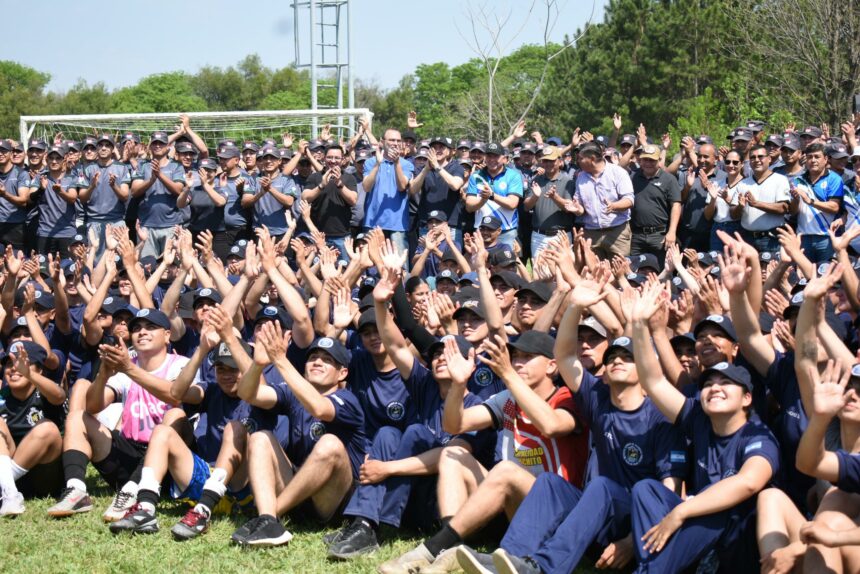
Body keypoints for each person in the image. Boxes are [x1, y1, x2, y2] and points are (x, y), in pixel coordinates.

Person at [382, 330, 587, 574]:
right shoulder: (508, 399)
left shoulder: (569, 398)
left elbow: (551, 425)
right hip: (514, 506)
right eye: (516, 356)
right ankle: (450, 548)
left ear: (552, 366)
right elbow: (454, 425)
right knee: (452, 454)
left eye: (528, 357)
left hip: (559, 512)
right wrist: (459, 385)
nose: (518, 362)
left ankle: (433, 547)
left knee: (507, 470)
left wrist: (509, 375)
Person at [628, 282, 780, 573]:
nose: (715, 388)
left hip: (738, 540)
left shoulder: (759, 435)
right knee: (647, 490)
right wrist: (638, 325)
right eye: (709, 383)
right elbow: (654, 382)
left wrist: (682, 511)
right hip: (698, 528)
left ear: (747, 398)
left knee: (718, 509)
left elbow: (748, 482)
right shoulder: (698, 416)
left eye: (725, 384)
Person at [47, 309, 190, 521]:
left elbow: (174, 396)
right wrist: (104, 374)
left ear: (167, 335)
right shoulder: (126, 368)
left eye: (151, 327)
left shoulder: (180, 364)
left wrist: (128, 369)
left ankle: (133, 490)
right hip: (130, 453)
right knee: (78, 416)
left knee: (175, 415)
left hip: (167, 464)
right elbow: (93, 406)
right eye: (137, 328)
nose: (142, 332)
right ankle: (76, 490)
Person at [234, 327, 366, 547]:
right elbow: (248, 394)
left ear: (342, 373)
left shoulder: (347, 399)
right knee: (260, 437)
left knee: (330, 444)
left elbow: (320, 409)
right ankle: (268, 521)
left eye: (327, 360)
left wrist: (280, 360)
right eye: (313, 357)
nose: (317, 362)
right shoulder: (292, 393)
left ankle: (269, 515)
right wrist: (258, 365)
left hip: (332, 500)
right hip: (298, 493)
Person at [0, 341, 65, 515]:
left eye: (22, 362)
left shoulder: (45, 393)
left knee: (47, 429)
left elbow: (60, 396)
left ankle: (4, 484)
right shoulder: (2, 398)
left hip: (45, 477)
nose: (14, 368)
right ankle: (9, 493)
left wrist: (27, 374)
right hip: (14, 477)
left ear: (39, 370)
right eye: (9, 363)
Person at [568, 142, 635, 258]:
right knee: (594, 272)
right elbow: (580, 207)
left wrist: (614, 206)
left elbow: (629, 200)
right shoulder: (581, 177)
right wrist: (577, 209)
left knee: (620, 271)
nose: (577, 161)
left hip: (617, 232)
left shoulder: (618, 172)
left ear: (592, 159)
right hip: (591, 233)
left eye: (580, 158)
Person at [130, 132, 186, 259]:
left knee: (172, 268)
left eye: (161, 143)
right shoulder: (142, 165)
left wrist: (159, 175)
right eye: (154, 143)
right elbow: (134, 191)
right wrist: (151, 180)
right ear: (150, 146)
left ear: (168, 147)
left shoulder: (176, 166)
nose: (157, 146)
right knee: (147, 267)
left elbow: (178, 190)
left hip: (171, 225)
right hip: (147, 226)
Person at [788, 142, 844, 263]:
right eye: (809, 157)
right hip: (803, 237)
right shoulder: (797, 180)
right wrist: (795, 200)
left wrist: (810, 201)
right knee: (803, 279)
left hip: (827, 237)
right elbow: (792, 211)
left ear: (826, 159)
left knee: (826, 276)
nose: (813, 160)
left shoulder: (834, 179)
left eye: (817, 157)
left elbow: (834, 207)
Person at [362, 129, 415, 254]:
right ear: (382, 142)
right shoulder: (370, 162)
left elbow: (402, 186)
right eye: (391, 140)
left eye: (398, 140)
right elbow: (366, 187)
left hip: (397, 224)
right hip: (372, 223)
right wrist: (377, 164)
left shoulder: (406, 164)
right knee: (372, 265)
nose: (395, 143)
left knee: (399, 268)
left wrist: (396, 163)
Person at [302, 144, 358, 258]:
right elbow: (305, 198)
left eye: (337, 158)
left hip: (342, 236)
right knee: (318, 271)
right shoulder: (314, 177)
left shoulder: (349, 178)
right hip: (318, 236)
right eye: (330, 157)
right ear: (324, 158)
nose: (333, 161)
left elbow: (353, 200)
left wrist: (339, 184)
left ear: (342, 160)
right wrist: (321, 185)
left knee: (344, 270)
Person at [629, 144, 682, 265]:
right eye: (645, 159)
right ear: (640, 160)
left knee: (662, 271)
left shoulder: (669, 179)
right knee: (635, 271)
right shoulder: (633, 177)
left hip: (660, 235)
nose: (648, 163)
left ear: (659, 160)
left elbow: (676, 205)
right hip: (637, 235)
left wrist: (672, 232)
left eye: (652, 160)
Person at [410, 136, 466, 249]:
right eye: (434, 147)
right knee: (426, 260)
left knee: (452, 260)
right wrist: (426, 169)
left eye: (441, 147)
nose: (438, 150)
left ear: (449, 151)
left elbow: (455, 185)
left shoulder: (457, 168)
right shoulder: (421, 169)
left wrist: (437, 166)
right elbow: (412, 190)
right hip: (427, 224)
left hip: (450, 224)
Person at [465, 143, 523, 248]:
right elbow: (469, 207)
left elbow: (512, 204)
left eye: (496, 156)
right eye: (489, 156)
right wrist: (483, 199)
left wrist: (492, 196)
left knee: (506, 264)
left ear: (505, 159)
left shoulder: (513, 176)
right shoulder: (476, 176)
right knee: (480, 264)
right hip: (481, 231)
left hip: (506, 231)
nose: (492, 159)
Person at [735, 144, 790, 253]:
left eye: (760, 156)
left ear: (769, 159)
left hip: (771, 239)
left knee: (771, 270)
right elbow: (733, 214)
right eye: (753, 157)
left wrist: (756, 204)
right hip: (747, 238)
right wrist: (739, 207)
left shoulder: (780, 180)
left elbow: (783, 208)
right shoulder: (743, 184)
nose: (756, 160)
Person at [524, 146, 574, 257]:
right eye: (545, 161)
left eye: (552, 161)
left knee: (562, 272)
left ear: (560, 162)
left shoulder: (568, 181)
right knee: (539, 272)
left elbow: (569, 208)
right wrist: (535, 197)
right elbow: (526, 207)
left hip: (561, 235)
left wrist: (555, 197)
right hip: (538, 236)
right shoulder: (536, 179)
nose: (548, 164)